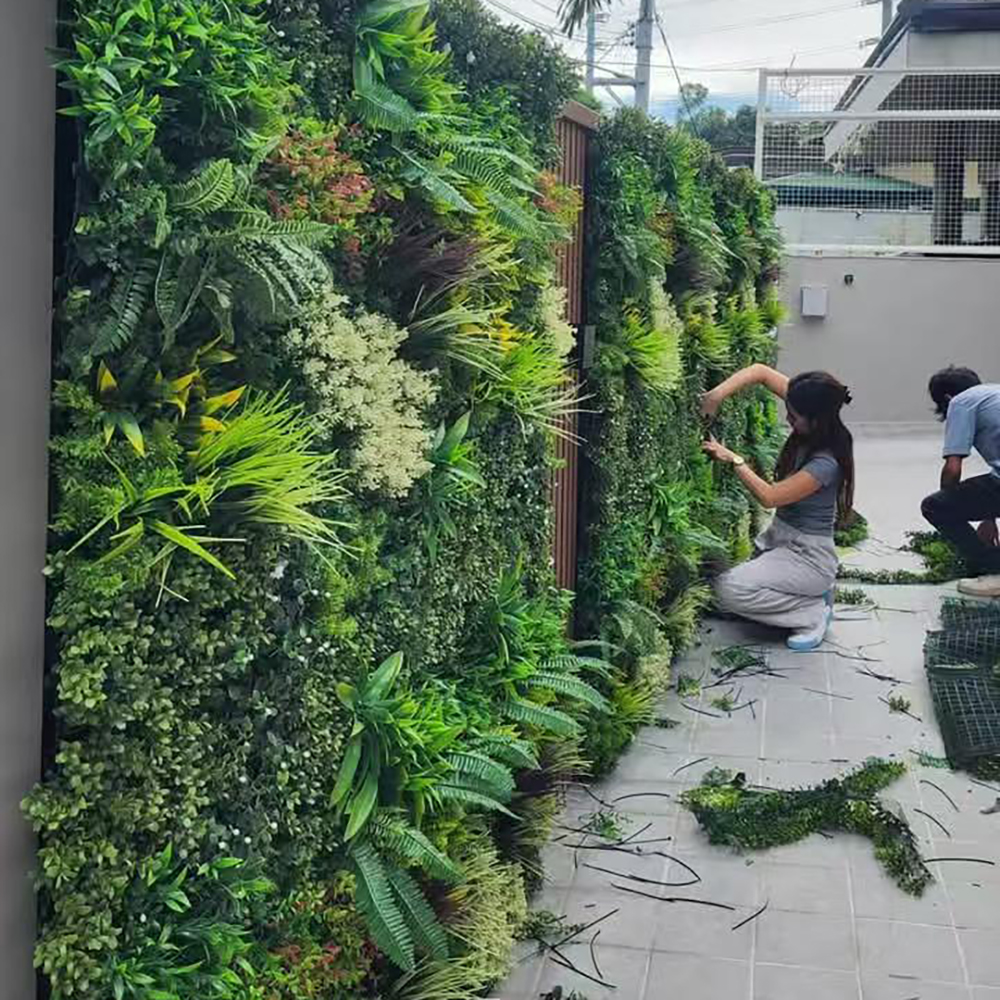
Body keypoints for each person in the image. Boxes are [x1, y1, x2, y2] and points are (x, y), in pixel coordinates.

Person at [700, 364, 854, 651]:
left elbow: (770, 497)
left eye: (794, 417)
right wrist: (716, 395)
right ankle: (809, 598)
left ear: (815, 420)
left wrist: (735, 460)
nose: (788, 417)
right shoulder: (809, 403)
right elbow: (760, 372)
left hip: (807, 556)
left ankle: (811, 614)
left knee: (729, 590)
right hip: (782, 541)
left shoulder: (826, 463)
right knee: (720, 583)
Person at [921, 366, 1000, 597]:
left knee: (935, 506)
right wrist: (988, 517)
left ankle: (995, 568)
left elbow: (953, 469)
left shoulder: (961, 402)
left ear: (946, 398)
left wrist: (951, 503)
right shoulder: (993, 394)